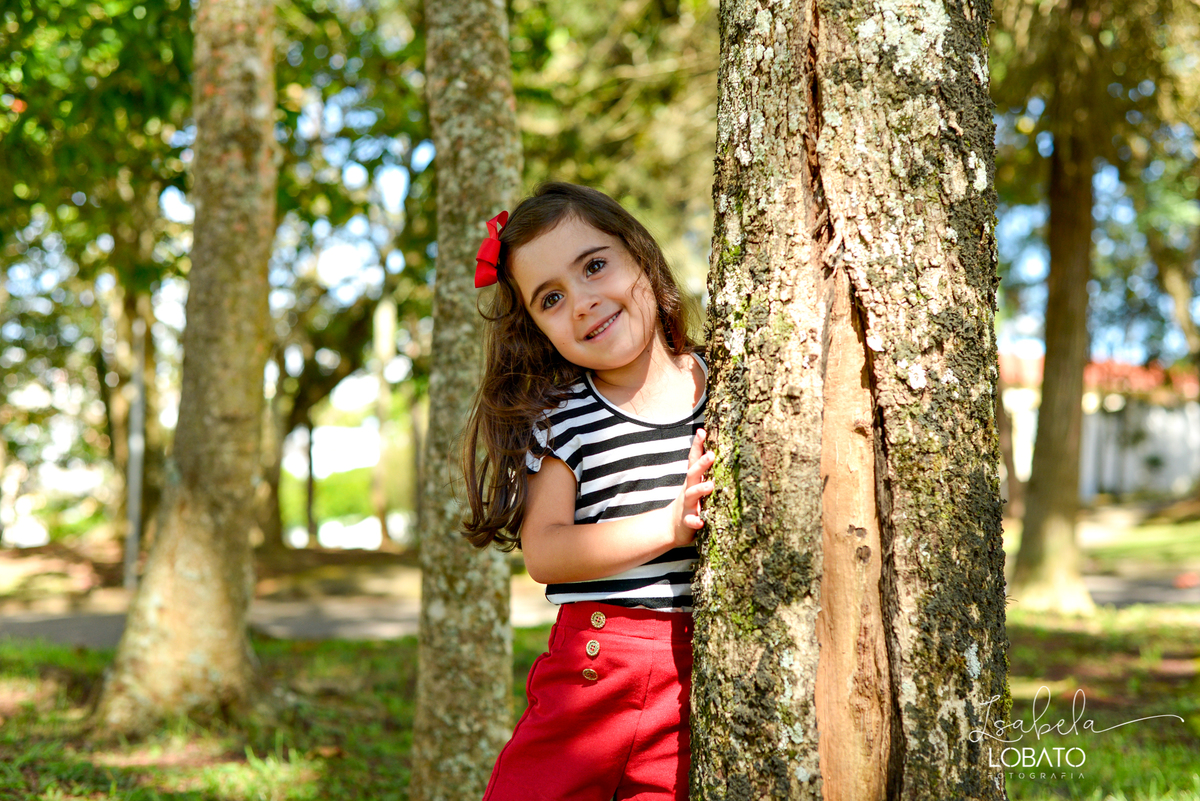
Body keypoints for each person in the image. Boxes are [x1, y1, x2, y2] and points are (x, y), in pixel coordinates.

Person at [461, 182, 715, 801]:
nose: (582, 303)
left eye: (595, 266)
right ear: (537, 329)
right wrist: (667, 525)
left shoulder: (731, 386)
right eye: (551, 298)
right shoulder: (562, 420)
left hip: (694, 680)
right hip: (592, 670)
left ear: (642, 257)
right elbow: (546, 551)